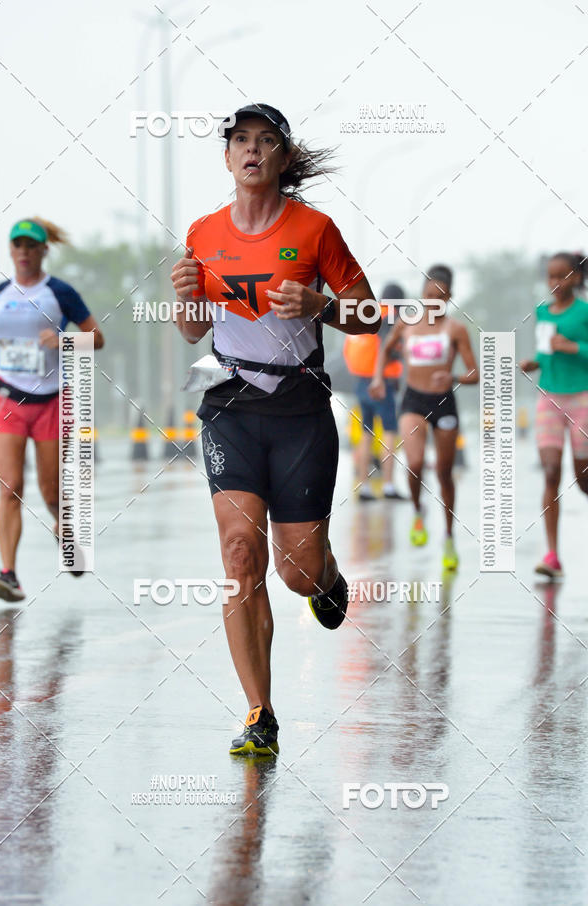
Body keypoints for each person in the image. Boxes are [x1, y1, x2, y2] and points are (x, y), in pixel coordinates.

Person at [171, 103, 379, 756]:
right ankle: (259, 713)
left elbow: (371, 316)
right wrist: (185, 300)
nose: (252, 150)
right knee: (239, 552)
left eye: (266, 141)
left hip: (300, 412)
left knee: (295, 571)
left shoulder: (315, 230)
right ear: (228, 158)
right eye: (240, 141)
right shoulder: (202, 233)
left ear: (284, 158)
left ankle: (326, 578)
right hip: (231, 404)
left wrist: (323, 305)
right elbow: (192, 330)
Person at [0, 217, 104, 601]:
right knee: (10, 488)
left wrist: (64, 340)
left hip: (52, 400)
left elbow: (96, 338)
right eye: (17, 245)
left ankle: (64, 529)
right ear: (11, 250)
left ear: (43, 251)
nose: (23, 252)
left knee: (51, 491)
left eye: (31, 246)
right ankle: (8, 574)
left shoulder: (59, 292)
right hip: (6, 398)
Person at [369, 265, 478, 571]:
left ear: (449, 297)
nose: (433, 302)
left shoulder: (456, 330)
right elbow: (384, 351)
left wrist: (454, 376)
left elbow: (475, 373)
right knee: (414, 463)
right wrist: (378, 379)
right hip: (413, 400)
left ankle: (448, 536)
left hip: (444, 402)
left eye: (440, 297)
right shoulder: (407, 324)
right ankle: (418, 512)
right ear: (422, 295)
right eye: (428, 295)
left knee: (444, 473)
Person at [520, 252, 588, 578]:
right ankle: (552, 556)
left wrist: (574, 348)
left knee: (584, 479)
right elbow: (546, 354)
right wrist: (531, 363)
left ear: (576, 277)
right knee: (550, 472)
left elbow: (573, 349)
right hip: (549, 397)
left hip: (582, 398)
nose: (554, 283)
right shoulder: (542, 312)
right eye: (550, 277)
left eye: (561, 276)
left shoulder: (585, 311)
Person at [344, 282, 406, 501]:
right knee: (390, 431)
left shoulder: (367, 314)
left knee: (366, 432)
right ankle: (389, 486)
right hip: (382, 382)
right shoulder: (391, 319)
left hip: (361, 381)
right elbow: (390, 350)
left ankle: (365, 488)